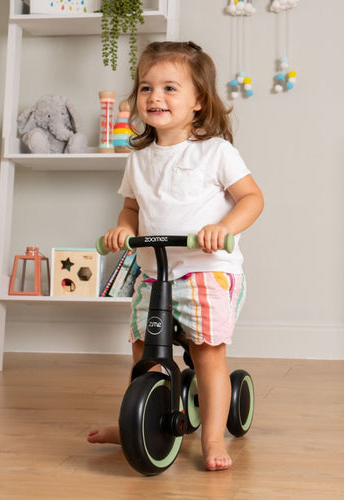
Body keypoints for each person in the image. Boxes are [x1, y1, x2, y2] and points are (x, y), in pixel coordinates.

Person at [87, 41, 264, 472]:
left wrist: (224, 228)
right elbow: (132, 208)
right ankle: (140, 420)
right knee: (144, 350)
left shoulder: (215, 151)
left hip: (206, 272)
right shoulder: (139, 157)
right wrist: (124, 229)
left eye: (169, 88)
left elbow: (252, 199)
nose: (155, 97)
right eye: (146, 88)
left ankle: (213, 436)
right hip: (154, 275)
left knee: (206, 355)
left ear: (198, 101)